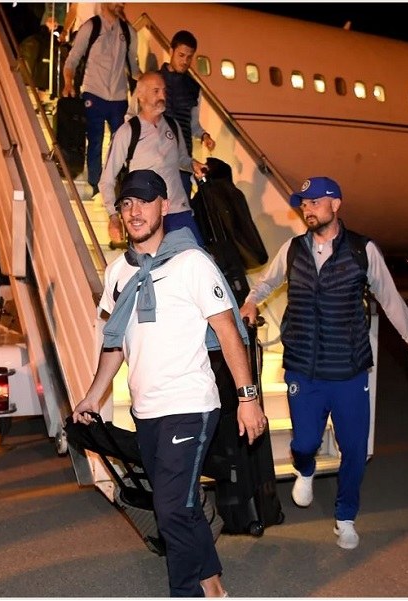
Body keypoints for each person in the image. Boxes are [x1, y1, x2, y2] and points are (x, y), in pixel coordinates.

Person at [73, 170, 267, 597]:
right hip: (146, 409)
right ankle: (212, 581)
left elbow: (228, 333)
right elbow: (115, 343)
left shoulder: (192, 262)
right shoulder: (118, 271)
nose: (134, 211)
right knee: (181, 501)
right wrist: (92, 395)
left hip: (190, 404)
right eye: (126, 204)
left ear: (164, 206)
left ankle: (188, 592)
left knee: (170, 508)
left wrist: (248, 398)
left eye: (144, 201)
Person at [239, 176, 408, 550]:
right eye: (304, 204)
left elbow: (390, 299)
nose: (307, 209)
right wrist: (250, 301)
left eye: (314, 202)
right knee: (305, 442)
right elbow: (266, 283)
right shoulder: (293, 249)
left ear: (336, 204)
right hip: (303, 368)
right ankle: (305, 467)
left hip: (348, 370)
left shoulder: (362, 250)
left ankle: (345, 518)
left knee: (354, 449)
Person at [100, 71, 208, 248]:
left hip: (178, 211)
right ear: (141, 96)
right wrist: (113, 216)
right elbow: (107, 179)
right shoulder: (127, 132)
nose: (162, 96)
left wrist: (192, 164)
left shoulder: (173, 126)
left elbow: (182, 159)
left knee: (197, 258)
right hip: (147, 218)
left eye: (164, 91)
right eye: (156, 91)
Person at [61, 2, 140, 199]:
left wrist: (150, 82)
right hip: (93, 93)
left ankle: (116, 184)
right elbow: (72, 59)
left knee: (120, 143)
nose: (121, 3)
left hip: (119, 98)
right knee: (95, 141)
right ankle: (95, 185)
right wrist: (68, 83)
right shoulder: (91, 27)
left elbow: (133, 68)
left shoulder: (129, 32)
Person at [159, 30, 216, 196]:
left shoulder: (194, 88)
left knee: (182, 205)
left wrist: (204, 136)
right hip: (157, 158)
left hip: (183, 161)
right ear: (171, 51)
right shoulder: (154, 80)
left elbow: (193, 124)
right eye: (181, 55)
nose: (185, 61)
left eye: (189, 57)